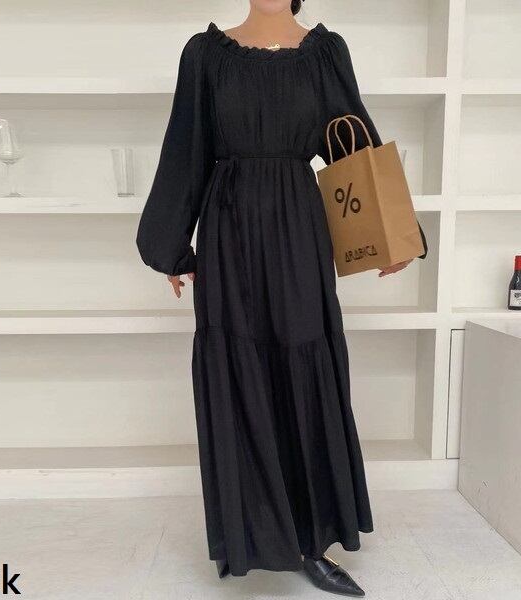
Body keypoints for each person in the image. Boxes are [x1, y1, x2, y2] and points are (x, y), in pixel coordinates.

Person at [136, 0, 428, 596]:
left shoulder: (325, 53)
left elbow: (355, 144)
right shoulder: (205, 55)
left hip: (299, 226)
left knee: (303, 364)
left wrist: (394, 234)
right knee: (238, 371)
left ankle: (310, 541)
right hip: (229, 229)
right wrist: (170, 245)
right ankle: (247, 534)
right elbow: (186, 148)